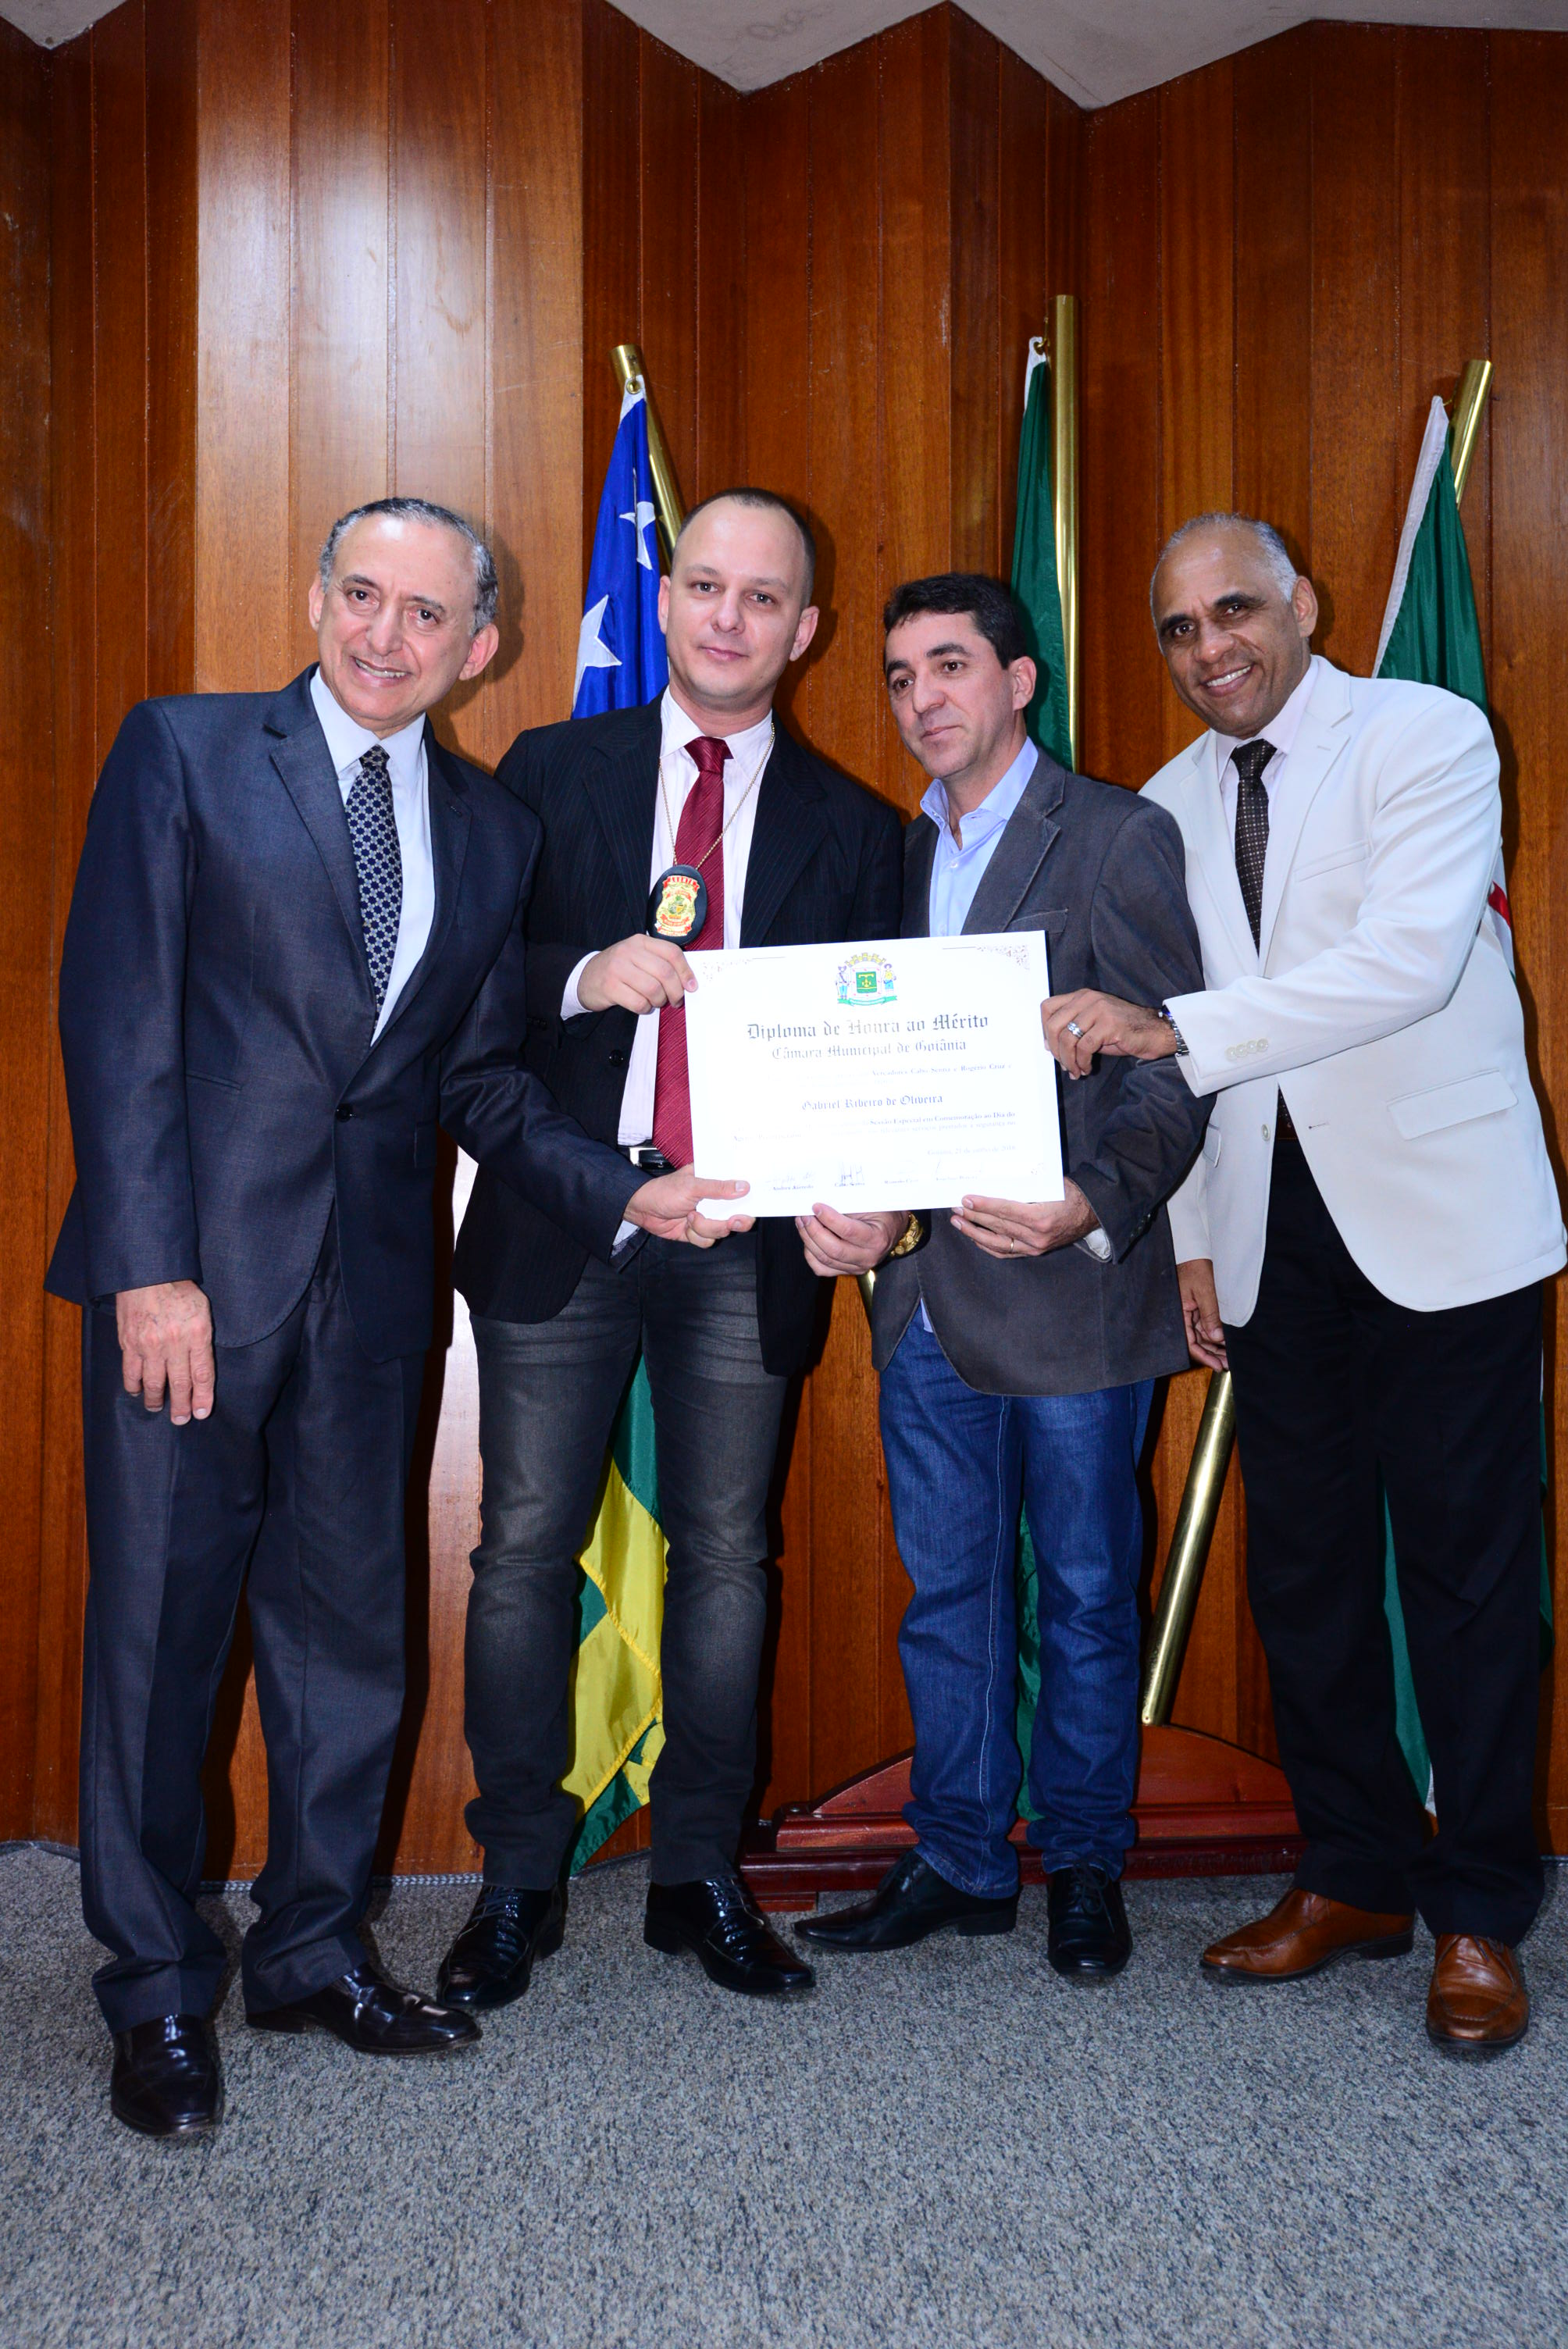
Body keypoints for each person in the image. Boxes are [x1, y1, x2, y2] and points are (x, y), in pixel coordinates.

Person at [48, 497, 736, 2140]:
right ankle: (156, 1987)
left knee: (346, 1641)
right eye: (363, 595)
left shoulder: (491, 831)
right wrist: (150, 1267)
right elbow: (119, 1016)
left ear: (478, 648)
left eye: (426, 615)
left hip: (370, 1300)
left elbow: (478, 1082)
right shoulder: (185, 752)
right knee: (158, 1640)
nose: (385, 634)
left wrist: (625, 1189)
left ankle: (310, 1949)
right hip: (190, 1288)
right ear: (317, 597)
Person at [1041, 512, 1564, 2057]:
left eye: (1235, 611)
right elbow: (1182, 1061)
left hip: (1442, 1222)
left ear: (1304, 606)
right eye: (1179, 628)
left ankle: (1478, 1907)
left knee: (1469, 1580)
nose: (1210, 648)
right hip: (1274, 1239)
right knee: (1307, 1577)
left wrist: (1175, 1031)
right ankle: (1352, 1876)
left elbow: (1407, 960)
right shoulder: (1160, 805)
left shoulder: (1424, 734)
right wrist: (1197, 1234)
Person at [438, 488, 902, 2006]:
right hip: (569, 1214)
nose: (726, 617)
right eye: (704, 585)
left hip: (745, 1238)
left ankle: (698, 1872)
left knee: (725, 1559)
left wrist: (871, 1204)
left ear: (803, 629)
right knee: (521, 1551)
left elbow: (879, 1055)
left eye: (762, 597)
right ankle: (518, 1875)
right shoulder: (547, 770)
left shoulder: (859, 828)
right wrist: (584, 972)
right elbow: (472, 992)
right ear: (668, 596)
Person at [796, 574, 1208, 1980]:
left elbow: (1172, 1062)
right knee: (949, 1597)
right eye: (901, 676)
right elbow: (868, 1069)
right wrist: (851, 1201)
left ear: (1020, 681)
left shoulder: (1115, 834)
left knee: (1086, 1593)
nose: (923, 699)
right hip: (925, 1304)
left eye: (951, 667)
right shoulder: (894, 851)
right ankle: (964, 1858)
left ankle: (1084, 1861)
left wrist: (1094, 1203)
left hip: (1075, 1293)